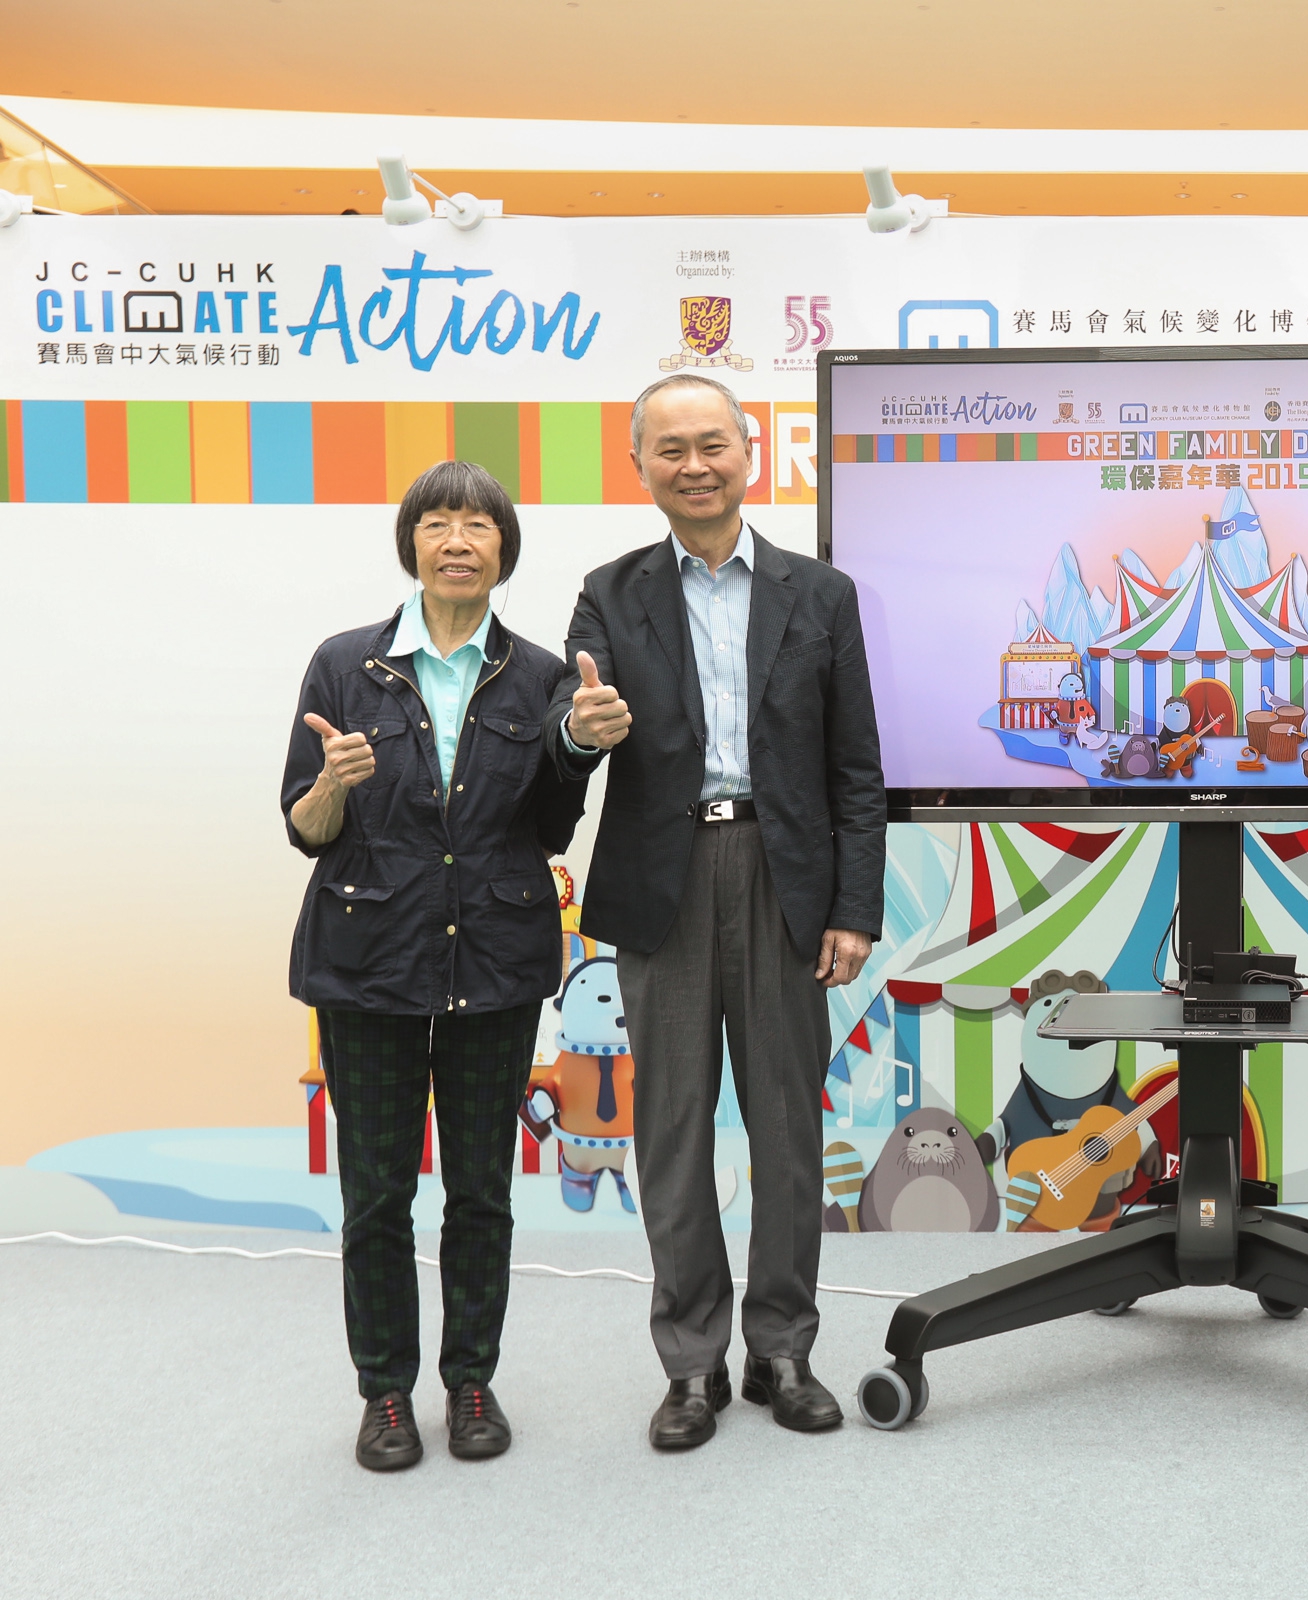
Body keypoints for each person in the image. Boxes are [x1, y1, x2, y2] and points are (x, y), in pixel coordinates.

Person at [549, 374, 885, 1451]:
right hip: (663, 879)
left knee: (789, 1126)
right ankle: (689, 1362)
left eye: (713, 445)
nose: (694, 465)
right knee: (672, 1128)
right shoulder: (608, 594)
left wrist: (854, 906)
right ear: (638, 465)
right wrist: (582, 725)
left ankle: (782, 1346)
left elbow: (856, 771)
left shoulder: (819, 593)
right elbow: (571, 719)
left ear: (752, 452)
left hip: (787, 877)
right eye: (669, 449)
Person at [282, 460, 588, 1471]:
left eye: (478, 525)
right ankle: (383, 1393)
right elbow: (304, 826)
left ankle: (468, 1381)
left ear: (504, 549)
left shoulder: (540, 674)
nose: (458, 539)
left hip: (494, 959)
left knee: (482, 1190)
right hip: (366, 957)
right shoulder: (345, 664)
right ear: (411, 542)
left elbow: (548, 827)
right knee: (375, 1192)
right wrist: (331, 782)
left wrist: (580, 749)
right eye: (438, 523)